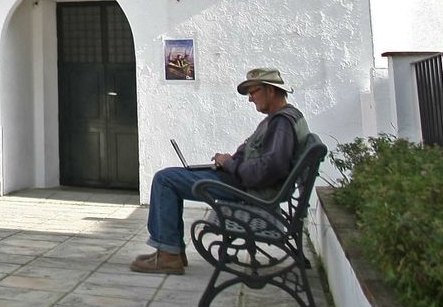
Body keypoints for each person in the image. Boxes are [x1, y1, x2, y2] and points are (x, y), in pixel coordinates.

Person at [130, 67, 309, 274]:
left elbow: (265, 171)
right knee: (171, 176)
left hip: (249, 190)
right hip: (245, 183)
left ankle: (169, 255)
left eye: (253, 92)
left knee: (165, 180)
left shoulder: (281, 123)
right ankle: (171, 250)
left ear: (271, 90)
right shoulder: (283, 118)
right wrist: (229, 161)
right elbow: (265, 163)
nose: (250, 98)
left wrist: (230, 164)